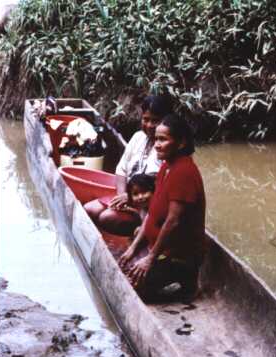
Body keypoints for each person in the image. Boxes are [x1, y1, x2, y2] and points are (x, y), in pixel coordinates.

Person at [119, 114, 206, 302]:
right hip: (161, 249)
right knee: (126, 270)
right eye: (156, 139)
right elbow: (152, 213)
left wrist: (150, 258)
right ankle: (161, 269)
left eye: (163, 139)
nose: (157, 144)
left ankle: (187, 279)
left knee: (133, 288)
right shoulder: (166, 166)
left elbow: (173, 221)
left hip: (179, 257)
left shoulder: (183, 172)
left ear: (181, 143)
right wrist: (134, 248)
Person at [84, 95, 173, 235]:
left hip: (149, 206)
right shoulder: (138, 137)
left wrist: (131, 199)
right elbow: (122, 169)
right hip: (130, 198)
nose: (149, 125)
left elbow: (166, 188)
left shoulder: (167, 147)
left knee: (106, 218)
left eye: (155, 120)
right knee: (89, 209)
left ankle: (140, 233)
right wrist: (123, 195)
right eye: (146, 119)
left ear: (165, 121)